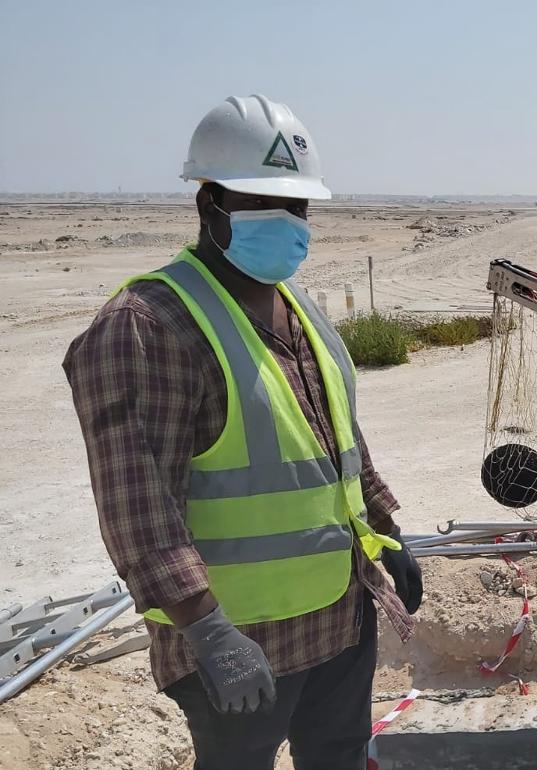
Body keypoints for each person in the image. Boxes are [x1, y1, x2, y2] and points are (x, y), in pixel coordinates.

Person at [64, 94, 425, 770]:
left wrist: (387, 530)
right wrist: (207, 629)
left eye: (298, 207)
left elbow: (337, 439)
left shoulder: (299, 308)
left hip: (339, 619)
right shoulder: (148, 326)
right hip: (238, 645)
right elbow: (137, 508)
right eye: (265, 204)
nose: (288, 223)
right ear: (209, 207)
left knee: (343, 757)